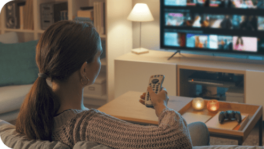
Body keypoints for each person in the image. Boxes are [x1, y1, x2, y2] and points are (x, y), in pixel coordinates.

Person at [15, 20, 210, 148]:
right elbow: (176, 139)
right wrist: (161, 107)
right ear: (84, 70)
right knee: (198, 129)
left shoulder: (33, 114)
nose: (100, 61)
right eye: (99, 56)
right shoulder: (86, 124)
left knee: (197, 128)